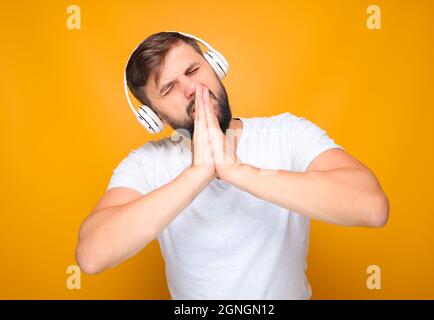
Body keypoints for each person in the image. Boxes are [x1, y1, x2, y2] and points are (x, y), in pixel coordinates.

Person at [75, 31, 389, 299]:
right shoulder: (146, 163)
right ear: (152, 117)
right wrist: (198, 173)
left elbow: (372, 207)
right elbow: (91, 256)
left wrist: (236, 170)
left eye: (194, 70)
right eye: (168, 88)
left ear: (216, 66)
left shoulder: (288, 132)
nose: (191, 89)